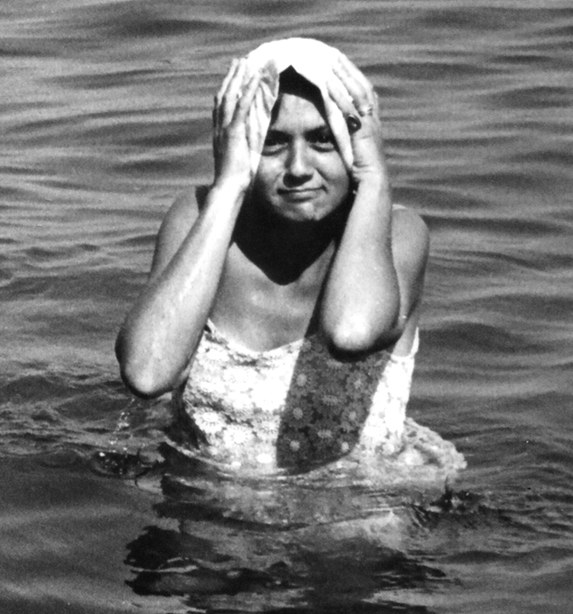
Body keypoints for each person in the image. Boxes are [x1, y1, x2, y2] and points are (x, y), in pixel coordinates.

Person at [115, 38, 440, 475]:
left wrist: (375, 176)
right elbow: (147, 372)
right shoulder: (199, 219)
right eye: (272, 143)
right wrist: (228, 188)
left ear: (357, 142)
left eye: (324, 140)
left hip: (357, 518)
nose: (299, 167)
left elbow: (350, 332)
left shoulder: (398, 232)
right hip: (207, 514)